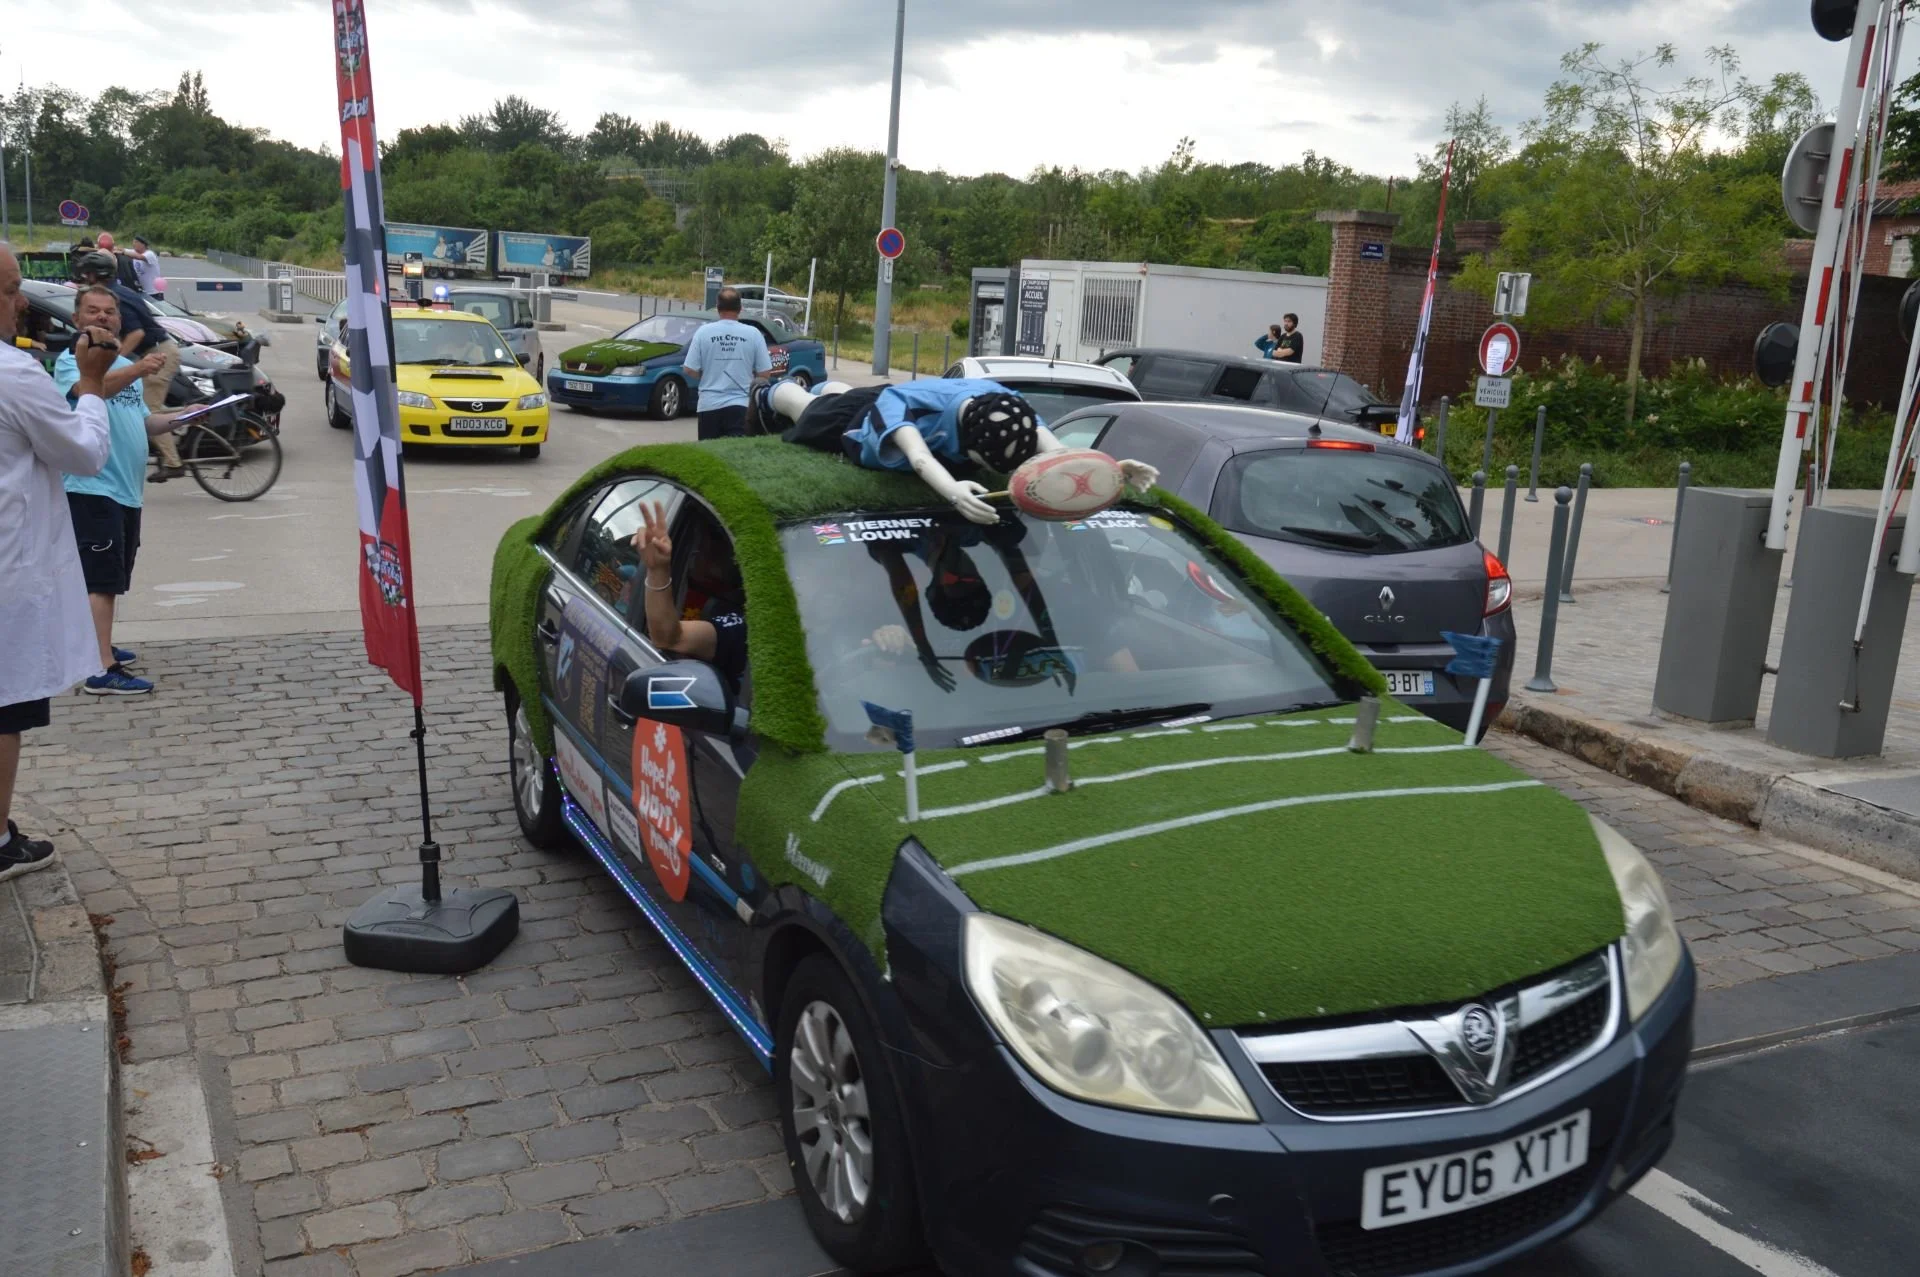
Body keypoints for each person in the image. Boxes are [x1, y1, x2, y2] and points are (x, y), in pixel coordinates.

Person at [0, 245, 117, 878]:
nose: (21, 303)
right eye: (12, 289)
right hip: (7, 570)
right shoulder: (12, 374)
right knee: (3, 708)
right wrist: (92, 384)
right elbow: (81, 452)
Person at [768, 376, 1158, 525]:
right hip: (864, 420)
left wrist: (1111, 470)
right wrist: (953, 491)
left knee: (839, 392)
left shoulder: (1007, 406)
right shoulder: (904, 410)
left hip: (909, 399)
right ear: (971, 454)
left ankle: (833, 387)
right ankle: (771, 390)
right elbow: (920, 459)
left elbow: (1056, 454)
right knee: (804, 411)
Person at [53, 286, 192, 696]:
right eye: (92, 311)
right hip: (93, 487)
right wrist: (137, 369)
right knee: (101, 580)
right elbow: (92, 389)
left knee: (112, 574)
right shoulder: (70, 363)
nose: (102, 318)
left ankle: (97, 645)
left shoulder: (124, 364)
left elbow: (143, 421)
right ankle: (100, 668)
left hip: (126, 490)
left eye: (110, 312)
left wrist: (185, 417)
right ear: (77, 320)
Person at [74, 251, 185, 480]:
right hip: (156, 349)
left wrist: (112, 360)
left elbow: (136, 333)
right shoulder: (119, 291)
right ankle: (183, 420)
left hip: (157, 351)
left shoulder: (115, 297)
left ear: (95, 276)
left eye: (88, 275)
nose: (85, 279)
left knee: (149, 408)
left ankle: (173, 463)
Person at [682, 287, 773, 440]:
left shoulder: (703, 332)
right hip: (742, 405)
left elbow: (689, 369)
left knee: (710, 457)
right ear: (740, 309)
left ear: (717, 308)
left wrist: (707, 375)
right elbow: (764, 374)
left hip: (709, 405)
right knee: (736, 457)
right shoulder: (753, 334)